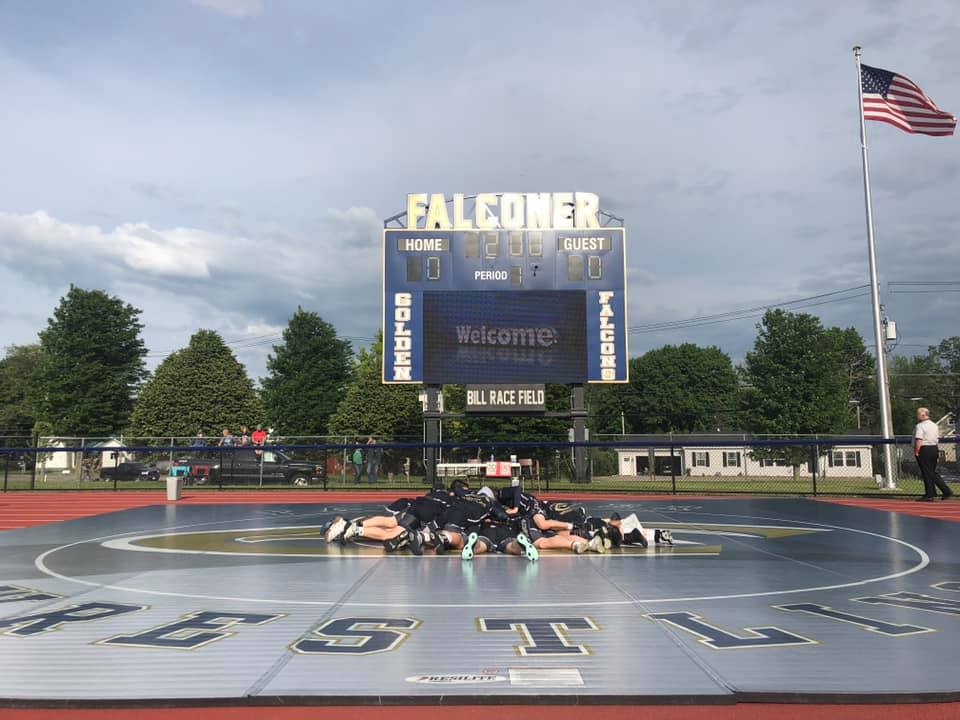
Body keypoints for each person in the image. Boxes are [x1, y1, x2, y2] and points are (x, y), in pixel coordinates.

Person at [915, 407, 952, 501]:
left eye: (918, 414)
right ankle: (946, 491)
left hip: (924, 449)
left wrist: (917, 451)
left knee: (926, 472)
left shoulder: (920, 426)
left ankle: (930, 495)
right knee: (931, 472)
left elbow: (919, 439)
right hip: (934, 448)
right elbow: (936, 438)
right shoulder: (934, 425)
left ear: (923, 415)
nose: (917, 416)